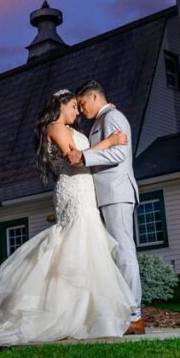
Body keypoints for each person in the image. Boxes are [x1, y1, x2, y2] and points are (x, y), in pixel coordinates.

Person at [0, 89, 137, 345]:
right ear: (61, 105)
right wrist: (109, 142)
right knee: (75, 246)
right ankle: (64, 314)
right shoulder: (56, 127)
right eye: (74, 106)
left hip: (84, 190)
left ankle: (85, 314)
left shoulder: (67, 126)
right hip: (75, 190)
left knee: (86, 250)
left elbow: (85, 152)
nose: (77, 112)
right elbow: (75, 160)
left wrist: (105, 115)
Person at [67, 80, 144, 334]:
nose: (81, 109)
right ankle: (124, 311)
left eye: (82, 103)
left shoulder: (113, 117)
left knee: (124, 251)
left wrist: (85, 157)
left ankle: (135, 315)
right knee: (116, 253)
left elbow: (118, 154)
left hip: (117, 193)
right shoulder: (103, 120)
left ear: (93, 96)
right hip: (106, 195)